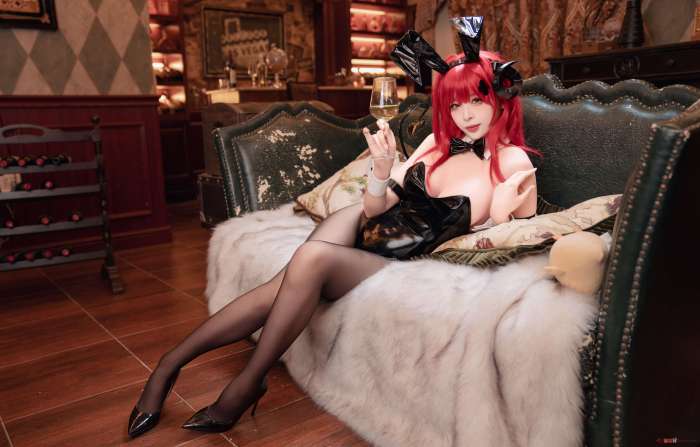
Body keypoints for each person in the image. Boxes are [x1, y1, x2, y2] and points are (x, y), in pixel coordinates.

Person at [127, 16, 541, 438]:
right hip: (372, 223)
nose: (466, 114)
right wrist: (381, 170)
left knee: (311, 258)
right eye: (454, 104)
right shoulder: (437, 143)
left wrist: (503, 213)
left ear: (500, 97)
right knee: (280, 284)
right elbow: (377, 205)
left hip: (402, 258)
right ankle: (169, 365)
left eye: (476, 100)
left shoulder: (513, 162)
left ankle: (245, 381)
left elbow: (519, 240)